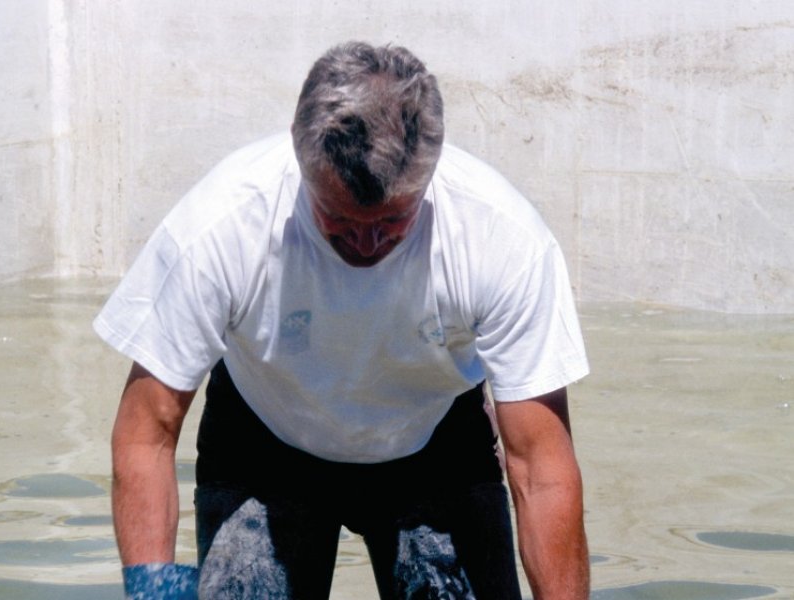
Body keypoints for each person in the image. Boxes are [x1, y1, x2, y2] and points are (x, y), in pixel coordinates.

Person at [95, 41, 590, 600]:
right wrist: (156, 592)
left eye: (392, 220)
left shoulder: (503, 238)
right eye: (340, 217)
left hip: (433, 441)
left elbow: (541, 469)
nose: (366, 242)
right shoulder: (220, 226)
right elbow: (147, 434)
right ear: (303, 166)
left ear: (428, 177)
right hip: (264, 438)